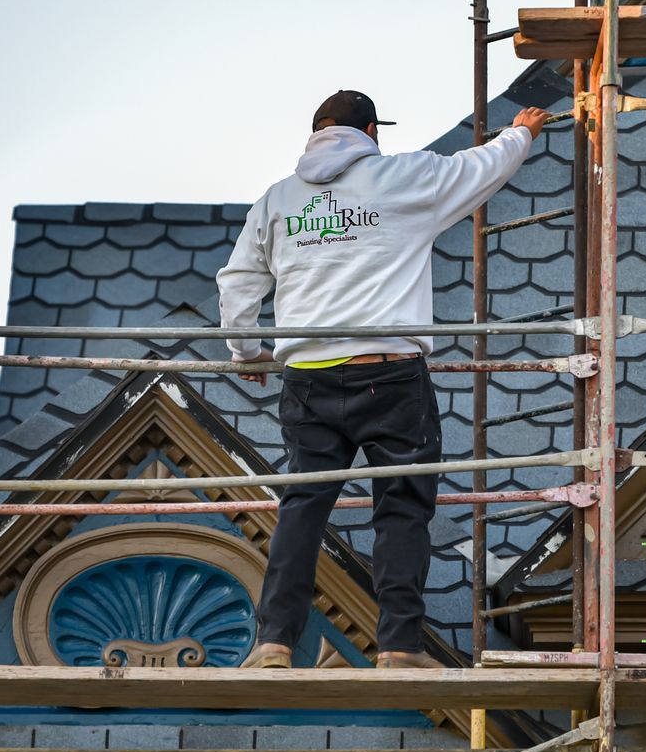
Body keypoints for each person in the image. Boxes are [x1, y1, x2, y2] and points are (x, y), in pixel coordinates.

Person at [216, 88, 550, 669]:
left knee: (303, 507)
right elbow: (479, 170)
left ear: (316, 133)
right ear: (371, 132)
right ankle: (398, 646)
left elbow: (238, 281)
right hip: (389, 374)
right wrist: (520, 132)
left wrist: (247, 351)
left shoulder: (278, 200)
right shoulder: (401, 178)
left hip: (308, 376)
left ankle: (273, 642)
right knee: (400, 507)